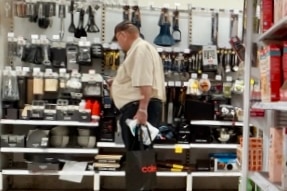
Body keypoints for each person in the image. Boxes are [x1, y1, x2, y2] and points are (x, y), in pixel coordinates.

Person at [109, 20, 166, 151]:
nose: (119, 45)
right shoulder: (142, 49)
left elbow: (145, 81)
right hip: (139, 106)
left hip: (137, 109)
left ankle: (137, 172)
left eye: (118, 40)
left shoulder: (140, 49)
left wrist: (142, 110)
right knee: (139, 152)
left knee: (137, 153)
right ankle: (139, 172)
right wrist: (117, 82)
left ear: (122, 35)